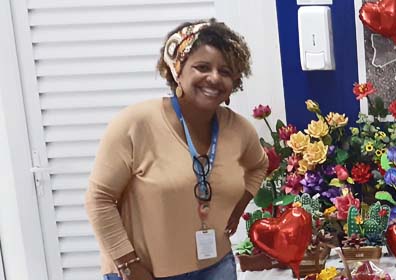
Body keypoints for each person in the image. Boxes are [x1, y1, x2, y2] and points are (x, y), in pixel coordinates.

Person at [84, 19, 268, 279]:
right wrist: (128, 264)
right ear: (177, 71)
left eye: (225, 71)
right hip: (143, 271)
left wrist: (239, 207)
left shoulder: (239, 130)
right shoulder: (135, 124)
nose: (214, 77)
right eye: (202, 67)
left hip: (217, 267)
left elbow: (259, 165)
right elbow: (99, 199)